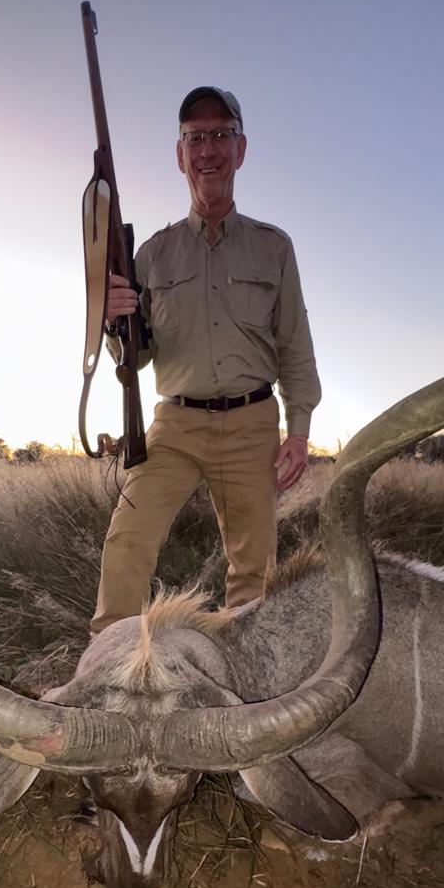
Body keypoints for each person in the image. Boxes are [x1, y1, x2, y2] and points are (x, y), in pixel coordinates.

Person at [90, 86, 321, 635]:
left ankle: (243, 679)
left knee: (254, 570)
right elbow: (135, 359)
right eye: (195, 138)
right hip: (174, 426)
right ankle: (105, 665)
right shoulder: (151, 253)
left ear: (241, 149)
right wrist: (112, 322)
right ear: (180, 155)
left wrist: (299, 430)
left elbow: (295, 342)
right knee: (127, 541)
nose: (208, 150)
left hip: (252, 425)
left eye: (221, 135)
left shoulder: (274, 247)